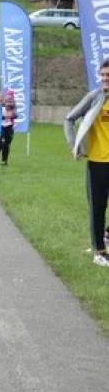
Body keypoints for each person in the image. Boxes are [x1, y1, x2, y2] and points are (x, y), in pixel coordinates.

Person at [65, 59, 109, 267]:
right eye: (103, 75)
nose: (105, 79)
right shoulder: (95, 97)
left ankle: (106, 235)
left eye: (108, 75)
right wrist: (74, 144)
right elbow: (69, 119)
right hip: (98, 162)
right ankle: (99, 252)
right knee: (98, 208)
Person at [0, 91, 18, 166]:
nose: (9, 97)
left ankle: (4, 161)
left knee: (7, 144)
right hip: (1, 126)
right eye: (8, 96)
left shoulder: (14, 106)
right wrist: (5, 117)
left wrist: (11, 116)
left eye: (11, 96)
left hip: (9, 126)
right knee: (1, 142)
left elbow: (16, 115)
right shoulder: (0, 105)